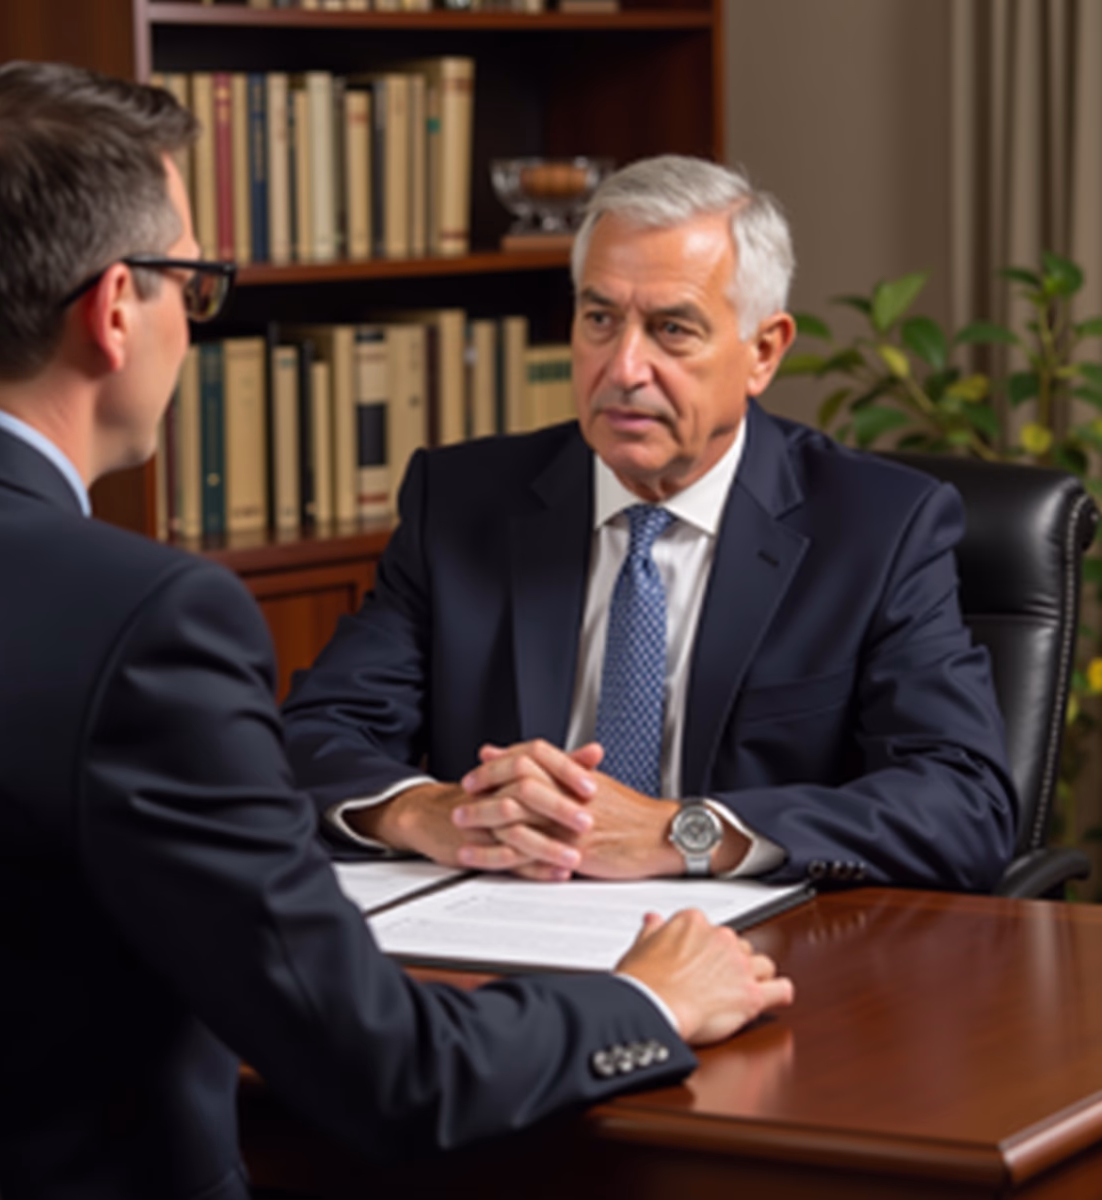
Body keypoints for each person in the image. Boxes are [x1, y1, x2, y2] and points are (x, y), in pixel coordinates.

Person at [0, 66, 794, 1200]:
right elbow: (393, 1078)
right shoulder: (145, 622)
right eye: (195, 282)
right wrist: (646, 999)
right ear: (117, 308)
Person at [281, 154, 1018, 892]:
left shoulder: (880, 528)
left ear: (763, 351)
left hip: (759, 958)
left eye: (672, 329)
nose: (625, 367)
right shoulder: (462, 502)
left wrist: (681, 832)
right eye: (600, 319)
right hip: (504, 948)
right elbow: (310, 739)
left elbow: (962, 806)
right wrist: (432, 813)